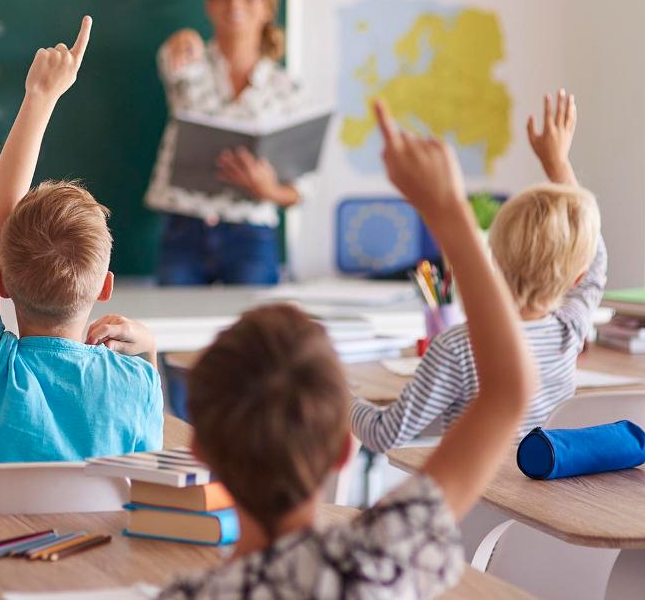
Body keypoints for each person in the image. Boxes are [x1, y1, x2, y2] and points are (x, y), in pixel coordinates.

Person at [158, 100, 536, 599]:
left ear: (199, 452)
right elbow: (509, 392)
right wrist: (448, 211)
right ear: (342, 449)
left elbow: (507, 394)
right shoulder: (384, 557)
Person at [0, 16, 164, 476]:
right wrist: (149, 349)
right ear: (105, 286)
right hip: (97, 550)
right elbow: (147, 483)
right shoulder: (135, 384)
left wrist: (38, 99)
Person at [353, 90, 604, 452]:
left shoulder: (459, 346)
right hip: (533, 504)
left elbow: (383, 434)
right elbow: (596, 260)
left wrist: (337, 393)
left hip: (471, 501)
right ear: (576, 278)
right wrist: (558, 163)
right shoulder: (570, 332)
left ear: (494, 258)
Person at [145, 0, 308, 285]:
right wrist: (181, 39)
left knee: (257, 334)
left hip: (251, 234)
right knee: (175, 331)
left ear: (268, 7)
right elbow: (170, 60)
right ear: (209, 4)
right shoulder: (189, 61)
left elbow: (300, 189)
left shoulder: (286, 89)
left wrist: (269, 190)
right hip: (183, 228)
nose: (235, 1)